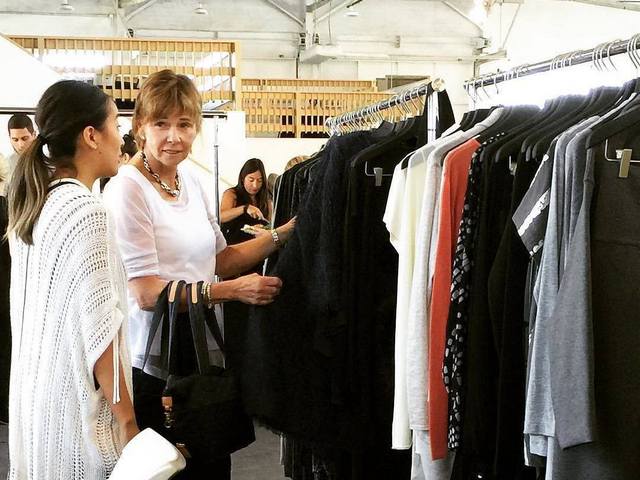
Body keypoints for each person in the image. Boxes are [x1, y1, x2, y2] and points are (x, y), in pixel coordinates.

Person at [102, 69, 295, 479]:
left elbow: (220, 259)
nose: (174, 136)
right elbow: (146, 293)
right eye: (161, 124)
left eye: (185, 124)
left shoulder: (189, 179)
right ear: (140, 126)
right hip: (155, 365)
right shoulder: (127, 188)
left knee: (211, 465)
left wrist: (284, 233)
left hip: (201, 356)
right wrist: (232, 292)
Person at [6, 80, 138, 479]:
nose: (122, 138)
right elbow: (102, 333)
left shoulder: (35, 203)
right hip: (76, 415)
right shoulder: (86, 211)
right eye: (116, 125)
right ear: (91, 136)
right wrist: (128, 423)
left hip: (36, 406)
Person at [220, 158, 272, 247]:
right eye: (251, 180)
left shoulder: (266, 198)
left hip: (258, 247)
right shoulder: (232, 194)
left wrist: (263, 228)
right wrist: (245, 208)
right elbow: (221, 216)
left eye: (259, 181)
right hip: (234, 246)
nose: (255, 185)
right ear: (242, 178)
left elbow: (270, 224)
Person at [6, 114, 36, 181]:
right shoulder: (5, 164)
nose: (21, 145)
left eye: (25, 138)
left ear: (34, 135)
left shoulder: (46, 161)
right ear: (10, 138)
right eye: (15, 140)